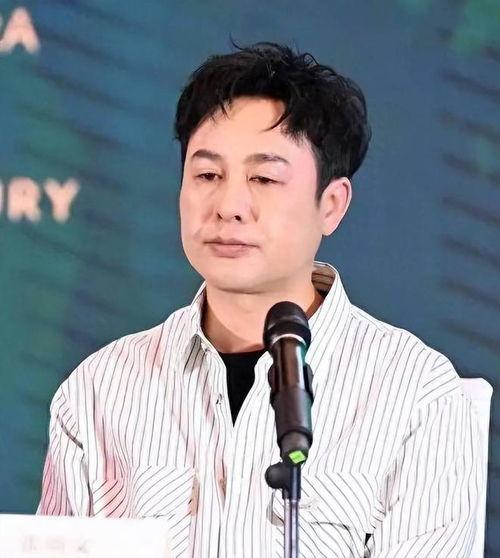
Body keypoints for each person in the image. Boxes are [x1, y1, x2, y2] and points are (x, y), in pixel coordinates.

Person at [38, 41, 482, 558]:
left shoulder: (419, 396)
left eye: (264, 178)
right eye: (208, 175)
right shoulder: (97, 391)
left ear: (331, 204)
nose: (229, 205)